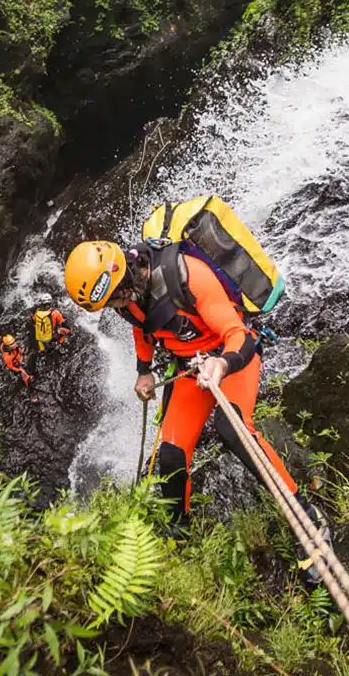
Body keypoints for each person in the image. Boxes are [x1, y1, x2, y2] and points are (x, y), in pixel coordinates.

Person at [64, 239, 329, 580]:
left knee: (233, 429)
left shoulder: (187, 276)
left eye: (117, 295)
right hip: (189, 369)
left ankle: (307, 518)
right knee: (171, 455)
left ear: (123, 272)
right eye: (111, 302)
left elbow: (239, 336)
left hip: (229, 359)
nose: (118, 303)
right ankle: (179, 534)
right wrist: (144, 370)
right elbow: (142, 326)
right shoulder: (126, 296)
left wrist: (221, 364)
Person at [0, 334, 38, 402]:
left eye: (14, 342)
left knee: (30, 363)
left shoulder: (14, 347)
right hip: (16, 366)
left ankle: (30, 374)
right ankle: (31, 395)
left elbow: (19, 350)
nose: (15, 344)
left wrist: (23, 355)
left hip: (19, 361)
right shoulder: (8, 357)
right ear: (8, 346)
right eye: (12, 344)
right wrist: (20, 370)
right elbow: (10, 366)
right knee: (26, 379)